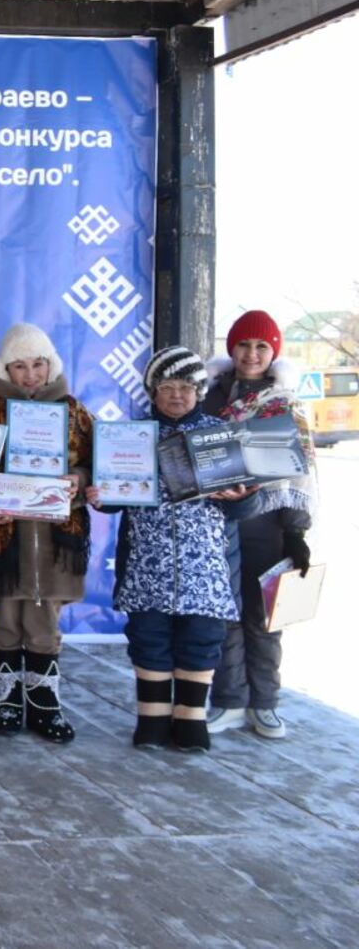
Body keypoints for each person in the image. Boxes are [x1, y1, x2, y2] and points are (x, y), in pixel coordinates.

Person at [87, 346, 259, 753]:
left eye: (186, 387)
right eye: (167, 387)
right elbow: (114, 498)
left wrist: (239, 497)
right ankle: (152, 719)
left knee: (202, 637)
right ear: (153, 390)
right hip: (147, 562)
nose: (177, 395)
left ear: (199, 391)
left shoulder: (220, 434)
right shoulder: (132, 436)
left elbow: (246, 505)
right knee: (148, 636)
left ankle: (191, 721)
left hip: (205, 567)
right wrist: (100, 495)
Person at [0, 324, 91, 744]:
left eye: (38, 363)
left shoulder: (75, 412)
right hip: (4, 541)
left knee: (42, 621)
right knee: (5, 620)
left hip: (55, 541)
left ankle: (44, 705)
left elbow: (98, 466)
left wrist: (78, 478)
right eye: (19, 366)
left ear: (51, 364)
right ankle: (5, 700)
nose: (31, 374)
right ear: (5, 369)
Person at [202, 310, 317, 740]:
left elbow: (299, 470)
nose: (252, 354)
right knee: (224, 613)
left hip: (267, 522)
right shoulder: (211, 396)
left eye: (261, 346)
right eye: (244, 345)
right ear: (232, 348)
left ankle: (265, 704)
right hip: (218, 520)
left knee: (264, 617)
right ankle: (229, 701)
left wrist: (296, 532)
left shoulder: (284, 402)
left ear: (273, 353)